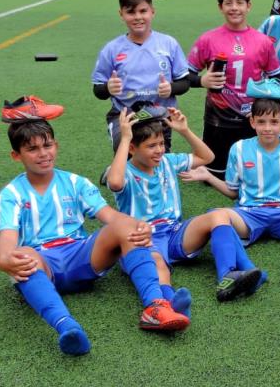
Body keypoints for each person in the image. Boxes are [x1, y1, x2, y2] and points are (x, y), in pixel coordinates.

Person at [0, 114, 189, 357]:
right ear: (17, 156)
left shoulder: (76, 183)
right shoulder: (11, 193)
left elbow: (109, 216)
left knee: (127, 227)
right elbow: (7, 238)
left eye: (47, 145)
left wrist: (136, 225)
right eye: (32, 149)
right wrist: (5, 259)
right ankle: (67, 327)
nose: (43, 154)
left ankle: (155, 307)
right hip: (44, 264)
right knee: (22, 254)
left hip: (81, 257)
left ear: (56, 146)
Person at [181, 98, 280, 295]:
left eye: (274, 122)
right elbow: (233, 191)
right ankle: (244, 273)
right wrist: (208, 176)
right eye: (262, 122)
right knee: (216, 215)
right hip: (249, 213)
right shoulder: (239, 148)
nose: (268, 128)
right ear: (252, 122)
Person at [108, 106, 265, 304]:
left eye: (161, 143)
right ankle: (168, 302)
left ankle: (227, 277)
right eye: (151, 146)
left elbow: (207, 157)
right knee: (157, 263)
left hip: (175, 233)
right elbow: (114, 182)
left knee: (218, 215)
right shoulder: (123, 171)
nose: (159, 150)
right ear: (132, 148)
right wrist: (124, 138)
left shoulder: (168, 161)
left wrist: (184, 130)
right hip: (144, 237)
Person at [187, 0, 280, 180]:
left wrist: (262, 108)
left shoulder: (263, 41)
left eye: (239, 2)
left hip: (251, 119)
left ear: (249, 6)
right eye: (229, 3)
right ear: (220, 7)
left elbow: (276, 80)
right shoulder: (208, 39)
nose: (234, 8)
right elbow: (185, 77)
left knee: (253, 174)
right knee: (215, 176)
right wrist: (202, 80)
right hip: (218, 120)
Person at [92, 0, 190, 152]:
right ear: (121, 14)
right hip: (125, 117)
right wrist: (108, 88)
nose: (138, 17)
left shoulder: (168, 44)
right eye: (131, 12)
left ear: (152, 11)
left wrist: (171, 89)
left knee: (158, 160)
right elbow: (98, 90)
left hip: (161, 116)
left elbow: (185, 82)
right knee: (126, 163)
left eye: (143, 11)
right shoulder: (112, 49)